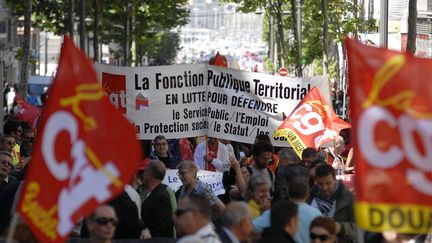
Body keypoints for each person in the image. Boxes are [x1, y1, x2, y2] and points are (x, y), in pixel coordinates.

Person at [308, 163, 356, 243]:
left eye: (328, 183)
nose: (324, 188)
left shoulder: (348, 198)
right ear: (316, 181)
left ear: (335, 180)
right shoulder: (309, 197)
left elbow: (360, 229)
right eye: (321, 184)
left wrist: (341, 228)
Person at [141, 160, 176, 238]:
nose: (143, 175)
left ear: (149, 174)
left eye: (145, 172)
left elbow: (164, 227)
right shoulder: (158, 192)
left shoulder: (160, 196)